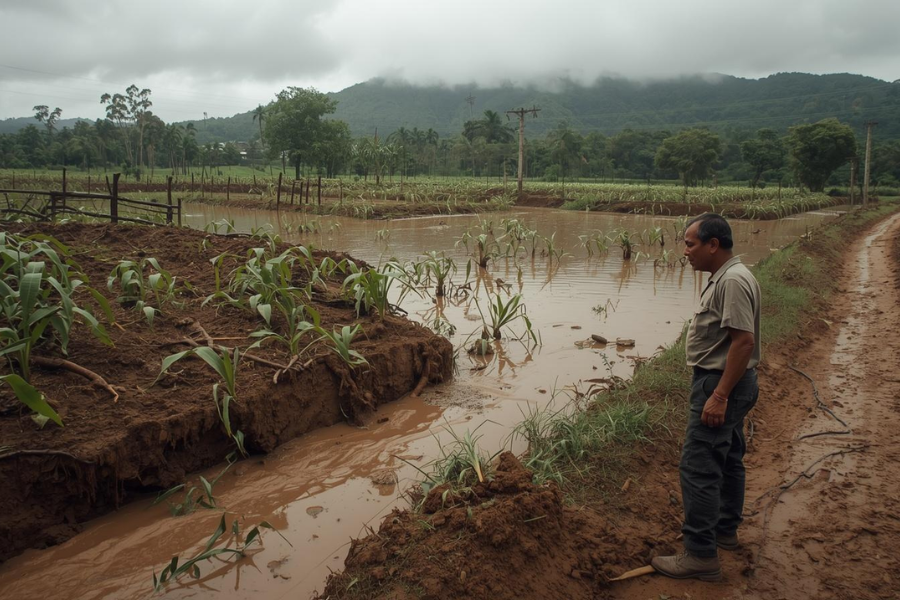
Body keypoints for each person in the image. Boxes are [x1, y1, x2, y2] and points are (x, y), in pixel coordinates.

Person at [652, 213, 761, 581]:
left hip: (720, 383)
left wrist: (719, 396)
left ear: (713, 245)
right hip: (730, 382)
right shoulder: (732, 276)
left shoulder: (731, 281)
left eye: (690, 243)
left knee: (699, 466)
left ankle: (700, 554)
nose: (685, 251)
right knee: (729, 456)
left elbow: (743, 341)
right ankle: (725, 531)